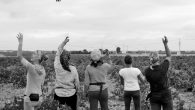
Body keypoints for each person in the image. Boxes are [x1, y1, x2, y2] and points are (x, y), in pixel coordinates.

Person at [17, 33, 48, 110]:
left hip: (30, 98)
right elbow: (41, 85)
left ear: (38, 58)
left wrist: (20, 42)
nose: (32, 54)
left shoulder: (31, 68)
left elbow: (19, 56)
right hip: (39, 99)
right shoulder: (43, 70)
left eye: (34, 53)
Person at [144, 36, 173, 110]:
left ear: (149, 59)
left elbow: (147, 80)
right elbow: (169, 56)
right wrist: (165, 44)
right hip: (165, 94)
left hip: (154, 96)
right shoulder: (163, 67)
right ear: (158, 58)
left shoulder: (147, 71)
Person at [53, 36, 80, 110]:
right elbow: (77, 83)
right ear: (69, 58)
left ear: (60, 58)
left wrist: (64, 43)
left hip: (58, 94)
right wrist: (76, 91)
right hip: (71, 95)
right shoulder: (73, 69)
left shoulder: (57, 66)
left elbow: (58, 51)